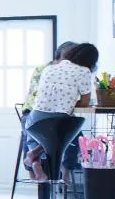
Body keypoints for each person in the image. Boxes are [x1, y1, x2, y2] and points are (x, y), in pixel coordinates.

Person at [23, 43, 98, 181]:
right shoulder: (84, 72)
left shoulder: (50, 68)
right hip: (60, 121)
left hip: (36, 116)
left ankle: (35, 162)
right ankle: (63, 168)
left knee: (35, 134)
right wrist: (73, 101)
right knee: (62, 135)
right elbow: (85, 102)